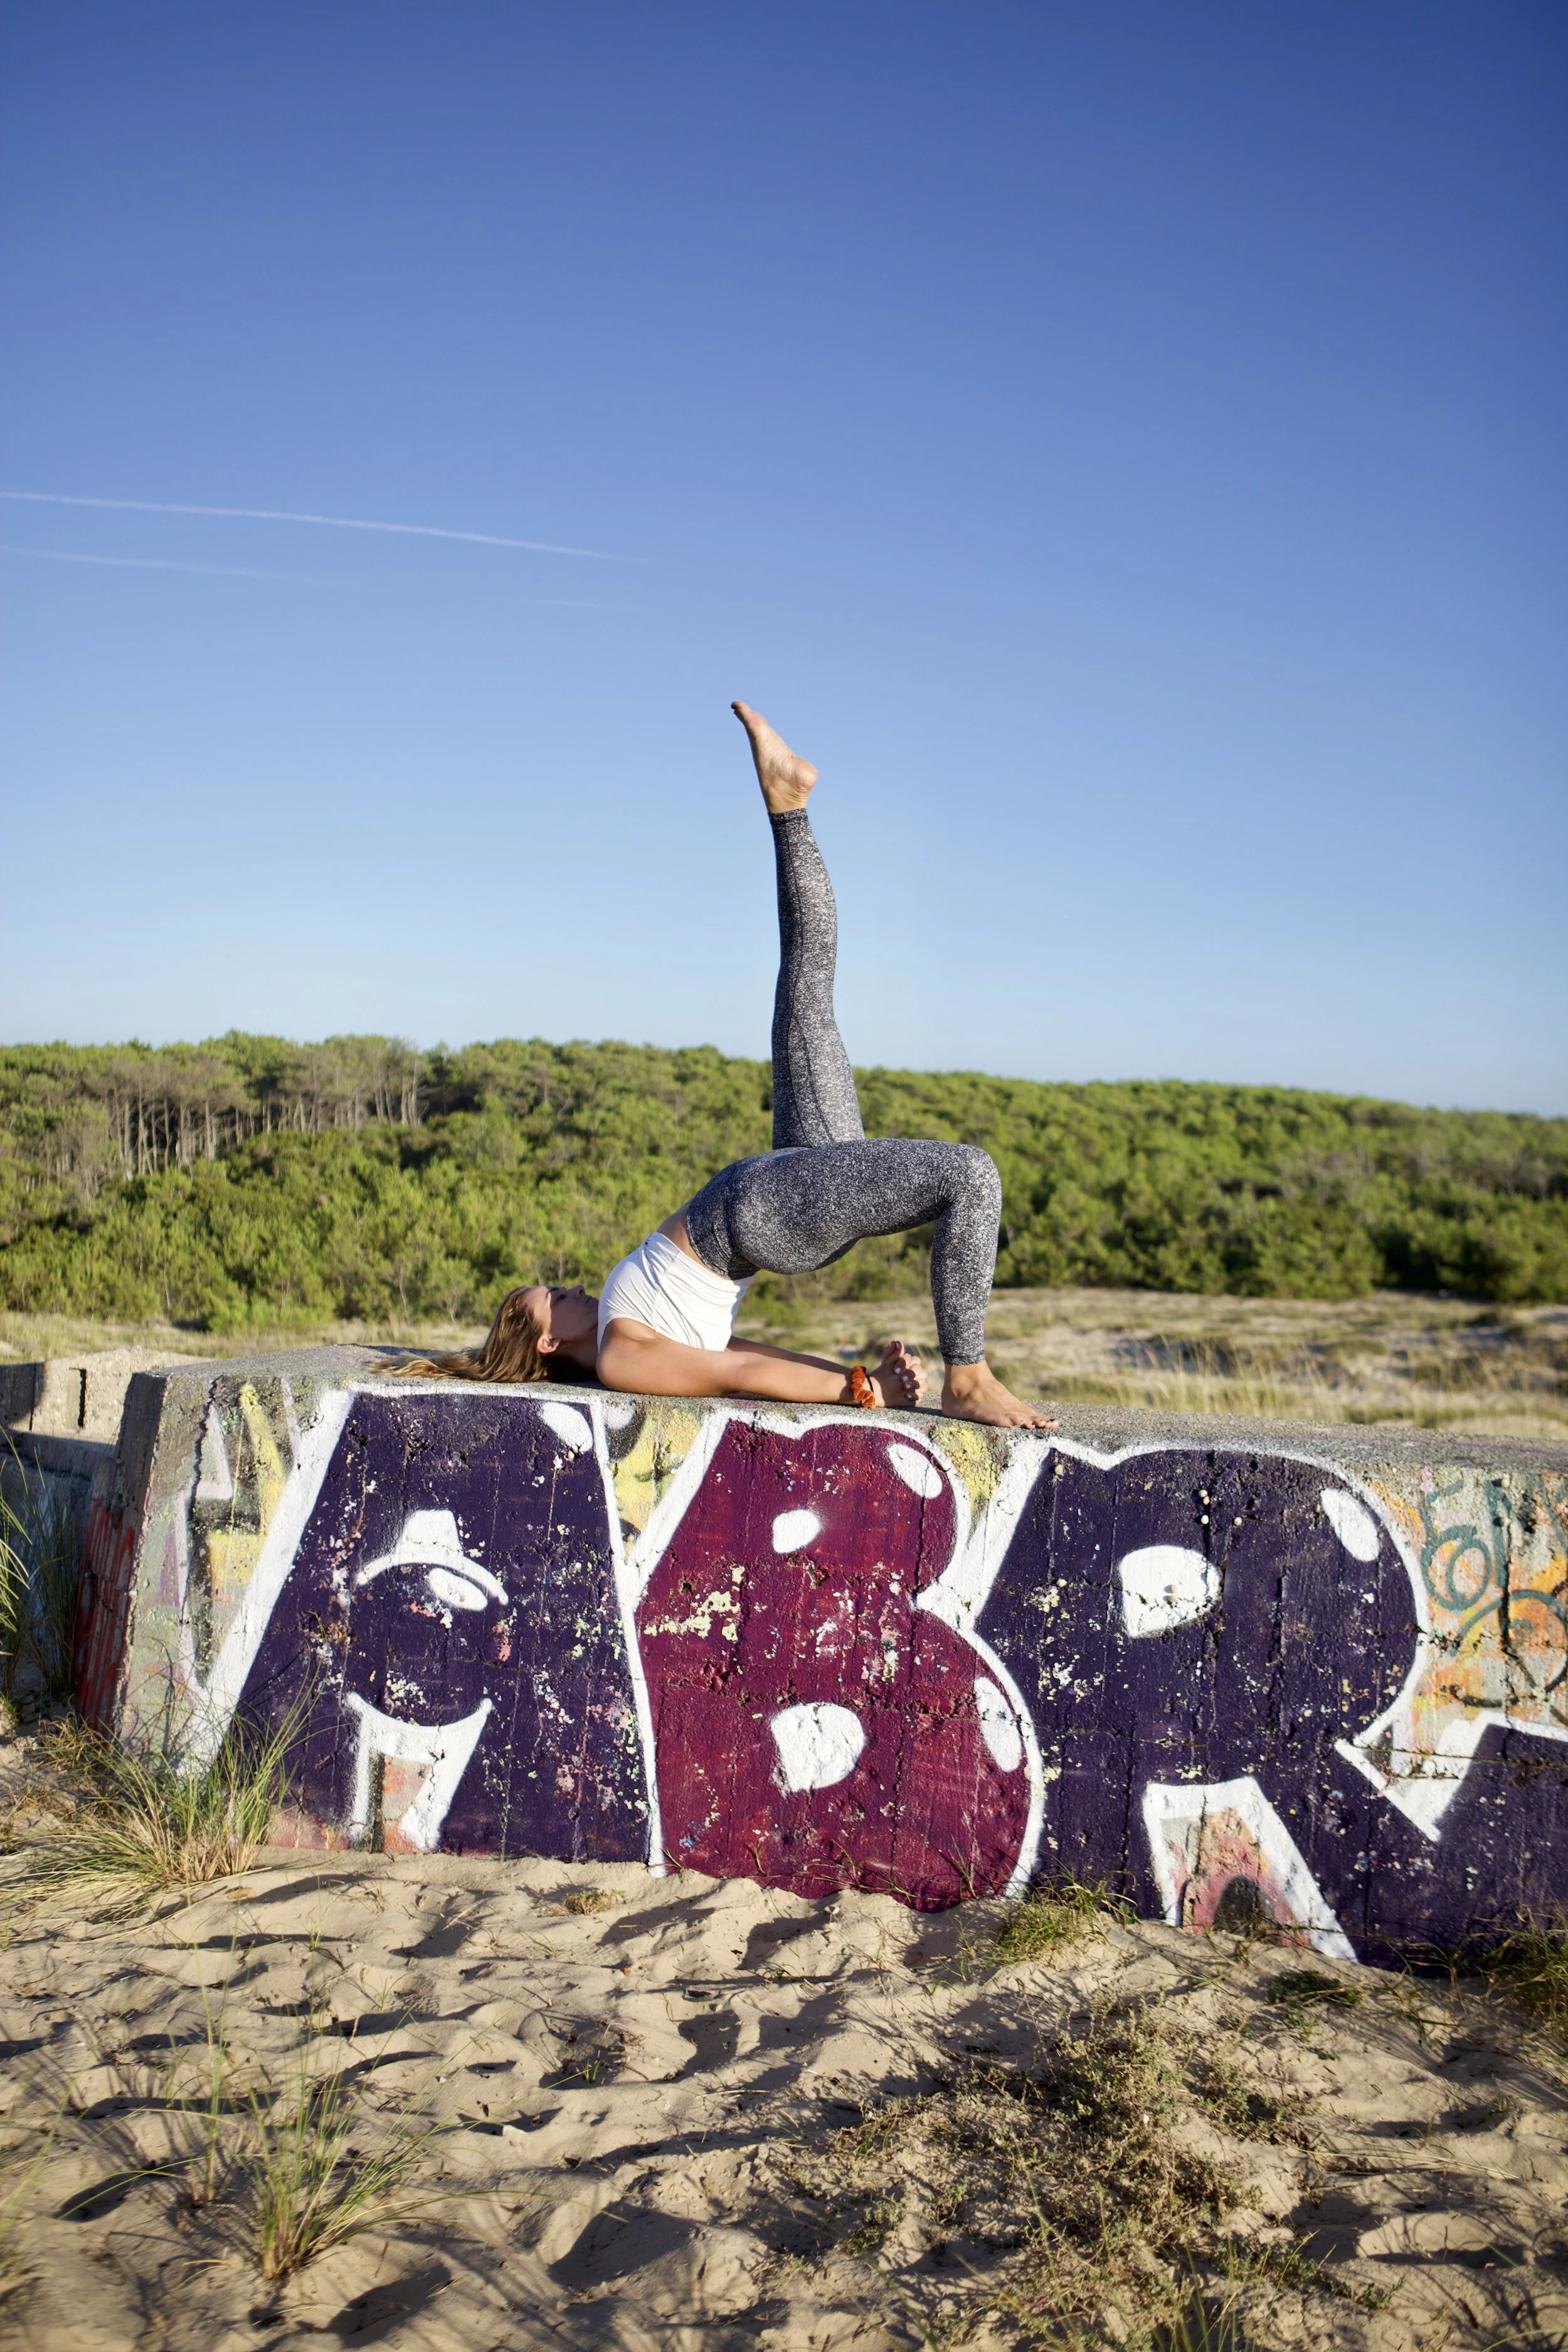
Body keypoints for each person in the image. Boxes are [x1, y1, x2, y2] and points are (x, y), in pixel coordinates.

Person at [398, 704, 1055, 1429]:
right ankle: (969, 1377)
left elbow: (742, 1352)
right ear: (547, 1339)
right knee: (969, 1175)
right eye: (549, 1294)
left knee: (807, 986)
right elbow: (735, 1369)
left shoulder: (629, 1326)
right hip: (755, 1214)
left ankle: (787, 807)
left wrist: (859, 1381)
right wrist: (860, 1391)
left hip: (762, 1200)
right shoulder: (620, 1355)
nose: (568, 1286)